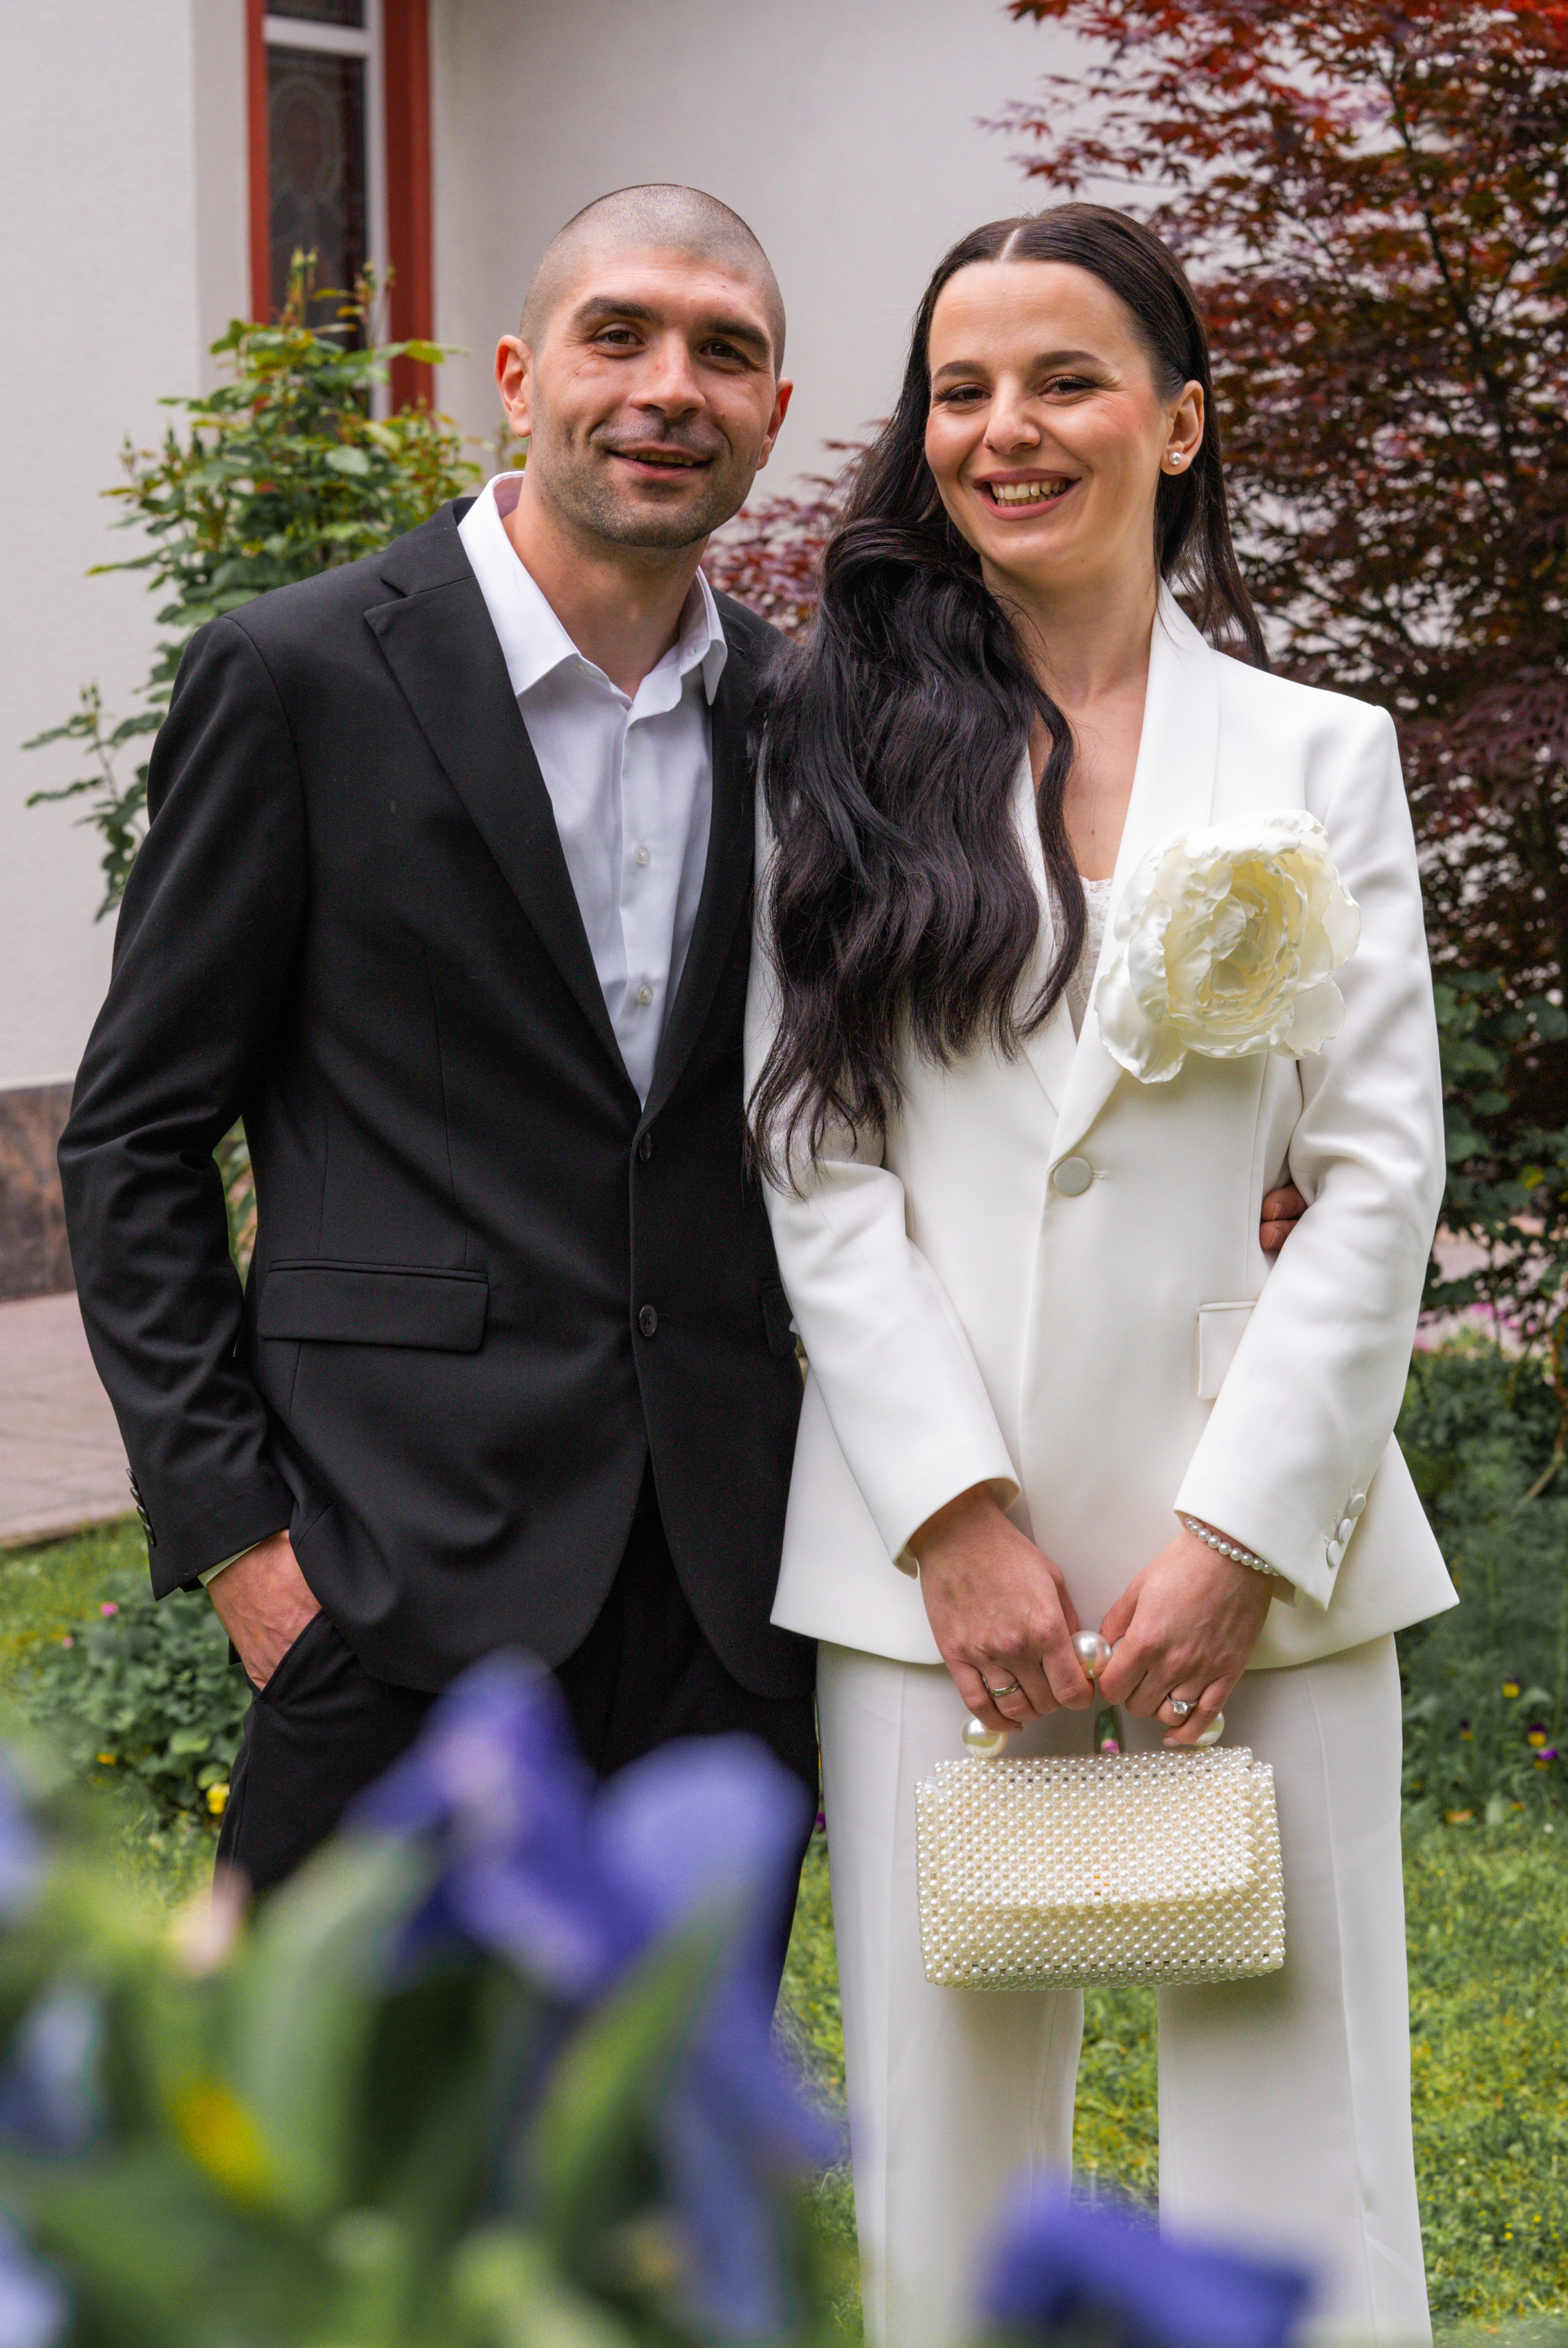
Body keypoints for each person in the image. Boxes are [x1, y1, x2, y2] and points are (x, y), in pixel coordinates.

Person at [746, 205, 1453, 2347]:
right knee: (945, 2164)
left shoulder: (1320, 754)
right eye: (961, 389)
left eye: (1064, 380)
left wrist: (1239, 1536)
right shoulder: (836, 738)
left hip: (1263, 1546)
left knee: (1305, 2139)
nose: (1006, 429)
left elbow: (1376, 1174)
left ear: (1181, 421)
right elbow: (816, 1156)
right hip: (930, 1560)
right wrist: (954, 1517)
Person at [58, 185, 821, 1906]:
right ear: (517, 375)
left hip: (724, 1609)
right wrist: (246, 1550)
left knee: (659, 2087)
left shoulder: (804, 714)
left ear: (773, 412)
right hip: (388, 1588)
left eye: (724, 352)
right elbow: (133, 1137)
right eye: (617, 335)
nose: (670, 387)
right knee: (332, 2089)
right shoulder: (300, 677)